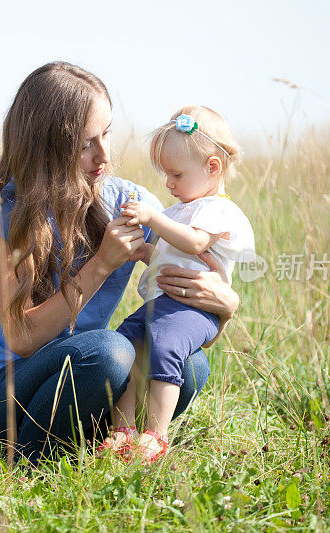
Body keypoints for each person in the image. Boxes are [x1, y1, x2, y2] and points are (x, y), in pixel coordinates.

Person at [0, 63, 239, 464]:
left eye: (107, 134)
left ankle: (97, 448)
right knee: (109, 352)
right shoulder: (11, 211)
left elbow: (189, 306)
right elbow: (21, 337)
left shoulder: (128, 203)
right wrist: (101, 264)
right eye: (87, 143)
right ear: (47, 146)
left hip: (77, 380)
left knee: (190, 364)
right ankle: (26, 464)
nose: (104, 154)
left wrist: (225, 309)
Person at [99, 106, 255, 464]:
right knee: (129, 341)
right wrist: (145, 251)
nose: (168, 184)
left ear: (212, 168)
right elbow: (171, 254)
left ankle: (156, 433)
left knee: (165, 345)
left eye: (176, 174)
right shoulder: (182, 210)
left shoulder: (217, 209)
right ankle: (122, 429)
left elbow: (195, 244)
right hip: (165, 304)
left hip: (193, 308)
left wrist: (153, 217)